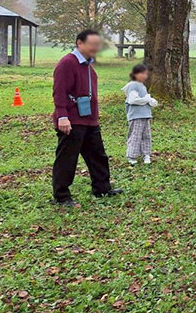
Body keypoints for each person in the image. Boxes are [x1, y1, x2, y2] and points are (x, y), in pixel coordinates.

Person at [51, 29, 122, 207]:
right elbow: (59, 92)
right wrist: (62, 116)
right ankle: (62, 196)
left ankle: (102, 188)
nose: (95, 48)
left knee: (98, 156)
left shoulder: (87, 65)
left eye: (97, 45)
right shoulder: (67, 63)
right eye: (92, 44)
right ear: (79, 43)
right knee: (67, 158)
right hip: (72, 121)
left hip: (89, 120)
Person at [121, 64, 159, 165]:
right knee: (135, 135)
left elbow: (144, 98)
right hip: (136, 115)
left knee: (146, 135)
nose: (144, 76)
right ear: (135, 74)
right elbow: (133, 100)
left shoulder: (142, 86)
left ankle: (146, 154)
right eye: (141, 73)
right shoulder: (132, 85)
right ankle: (132, 156)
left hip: (145, 114)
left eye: (145, 74)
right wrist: (147, 99)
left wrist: (151, 101)